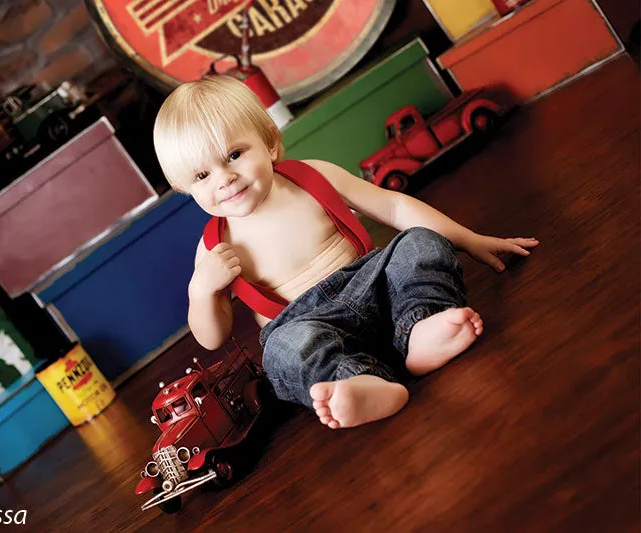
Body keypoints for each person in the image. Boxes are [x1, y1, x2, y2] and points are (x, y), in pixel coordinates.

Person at [153, 75, 538, 430]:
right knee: (282, 351)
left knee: (418, 241)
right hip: (306, 326)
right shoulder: (213, 245)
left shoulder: (311, 176)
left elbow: (394, 208)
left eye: (234, 154)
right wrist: (200, 293)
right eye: (202, 176)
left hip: (373, 285)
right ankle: (359, 384)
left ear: (269, 141)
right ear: (187, 189)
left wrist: (468, 239)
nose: (224, 178)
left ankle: (422, 327)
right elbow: (213, 336)